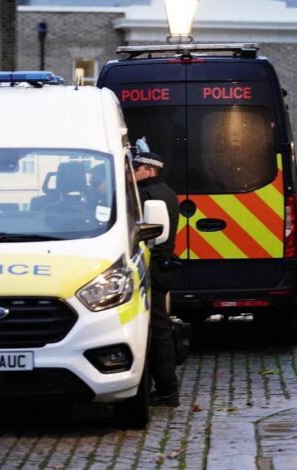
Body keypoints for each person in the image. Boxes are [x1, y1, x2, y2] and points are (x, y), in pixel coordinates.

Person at [133, 151, 181, 407]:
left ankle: (167, 390)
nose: (133, 172)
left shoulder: (145, 194)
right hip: (162, 266)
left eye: (136, 168)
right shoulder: (168, 192)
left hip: (151, 267)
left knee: (156, 328)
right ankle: (163, 387)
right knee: (157, 326)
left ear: (150, 170)